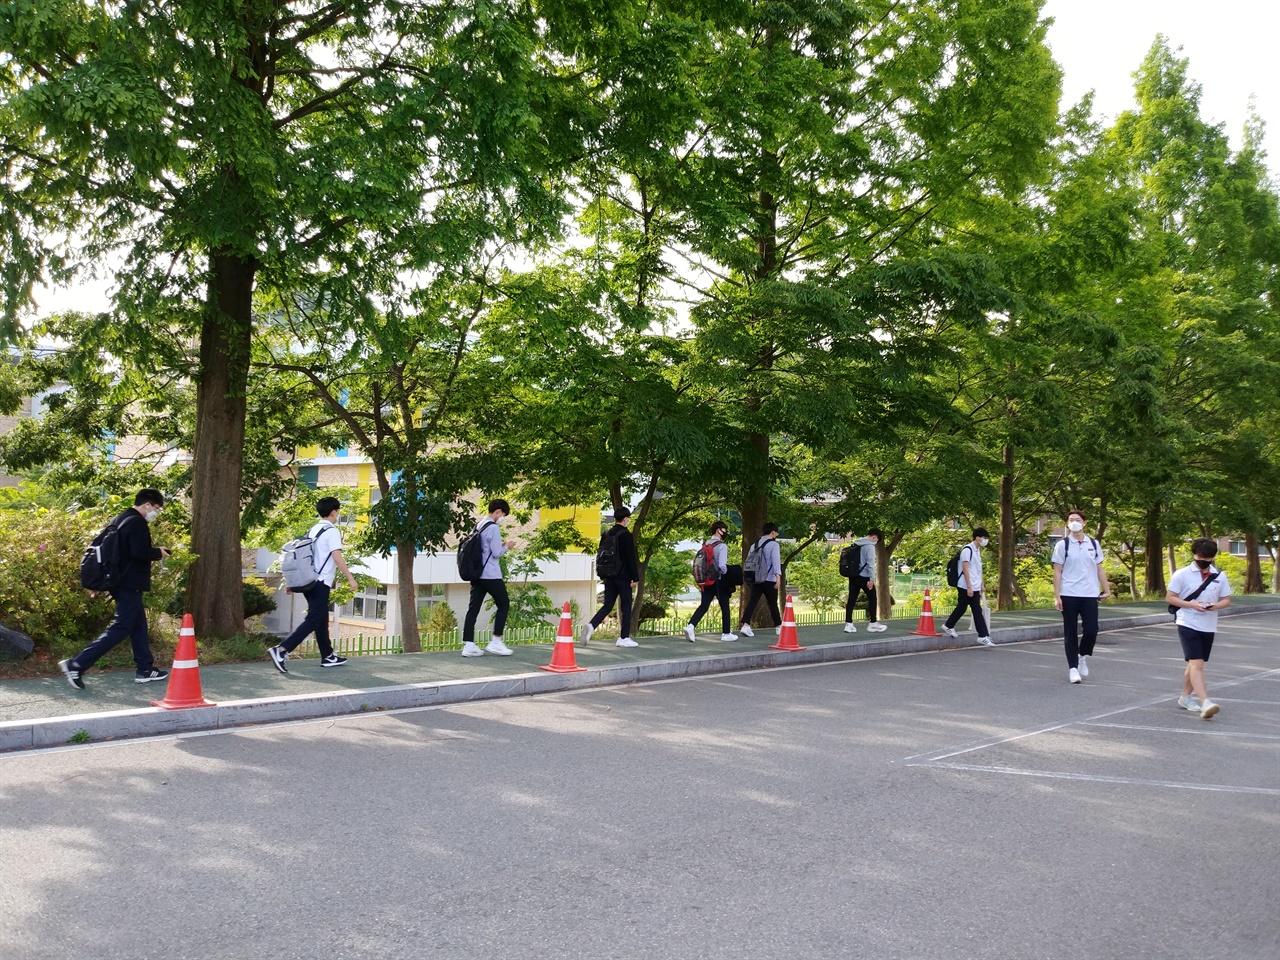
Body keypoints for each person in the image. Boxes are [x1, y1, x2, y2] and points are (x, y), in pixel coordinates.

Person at [60, 489, 173, 689]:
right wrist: (159, 552)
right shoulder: (137, 522)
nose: (156, 512)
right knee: (121, 627)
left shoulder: (120, 518)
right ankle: (77, 664)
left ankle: (145, 669)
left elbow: (108, 551)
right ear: (147, 504)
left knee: (138, 624)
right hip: (129, 583)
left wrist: (97, 583)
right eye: (156, 508)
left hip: (119, 581)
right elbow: (139, 552)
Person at [268, 497, 359, 673]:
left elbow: (303, 558)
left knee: (321, 618)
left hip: (309, 581)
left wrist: (294, 584)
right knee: (314, 618)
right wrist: (350, 578)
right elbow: (336, 556)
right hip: (321, 582)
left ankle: (328, 655)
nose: (338, 514)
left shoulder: (313, 530)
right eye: (338, 511)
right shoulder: (332, 531)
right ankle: (282, 650)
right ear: (334, 512)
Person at [1166, 538, 1232, 719]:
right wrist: (1191, 605)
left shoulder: (1219, 576)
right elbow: (1171, 598)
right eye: (1200, 557)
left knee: (1194, 662)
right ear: (1194, 555)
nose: (1204, 561)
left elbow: (1226, 599)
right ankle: (1205, 702)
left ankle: (1185, 697)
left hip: (1209, 624)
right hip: (1187, 622)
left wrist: (1215, 605)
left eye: (1208, 558)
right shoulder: (1182, 574)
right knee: (1197, 664)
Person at [1051, 509, 1110, 684]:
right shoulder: (1062, 545)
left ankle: (1082, 655)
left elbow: (1099, 568)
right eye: (1071, 520)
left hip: (1090, 594)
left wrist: (1106, 589)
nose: (1074, 522)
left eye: (1078, 519)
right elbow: (1057, 571)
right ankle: (1073, 668)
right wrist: (1057, 596)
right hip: (1068, 593)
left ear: (1085, 523)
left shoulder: (1093, 543)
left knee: (1091, 630)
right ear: (1067, 524)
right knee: (1070, 632)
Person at [460, 499, 517, 657]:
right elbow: (497, 553)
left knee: (473, 609)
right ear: (498, 511)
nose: (502, 518)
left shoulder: (480, 525)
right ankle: (496, 641)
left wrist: (501, 545)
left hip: (477, 574)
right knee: (504, 604)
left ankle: (469, 645)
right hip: (491, 574)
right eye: (503, 514)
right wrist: (507, 546)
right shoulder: (493, 528)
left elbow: (486, 549)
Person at [583, 507, 640, 647]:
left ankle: (591, 626)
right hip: (623, 576)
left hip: (608, 575)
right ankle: (624, 638)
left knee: (608, 605)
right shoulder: (625, 535)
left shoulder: (606, 534)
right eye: (628, 519)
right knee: (626, 606)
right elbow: (630, 558)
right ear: (625, 519)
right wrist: (635, 577)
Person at [684, 520, 736, 642]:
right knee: (725, 607)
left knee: (704, 605)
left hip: (705, 581)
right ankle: (726, 633)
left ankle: (690, 626)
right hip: (718, 581)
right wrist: (728, 573)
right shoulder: (722, 546)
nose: (725, 532)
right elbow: (722, 566)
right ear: (719, 530)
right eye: (724, 530)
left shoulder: (705, 544)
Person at [941, 528, 993, 646]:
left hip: (974, 585)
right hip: (965, 585)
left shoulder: (977, 551)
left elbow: (978, 570)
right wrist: (969, 587)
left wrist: (981, 584)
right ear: (977, 537)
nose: (985, 541)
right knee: (974, 609)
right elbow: (965, 569)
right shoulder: (967, 550)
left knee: (965, 607)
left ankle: (949, 625)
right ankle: (983, 635)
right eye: (984, 538)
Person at [737, 523, 782, 638]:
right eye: (776, 532)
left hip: (756, 579)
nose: (776, 534)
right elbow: (775, 562)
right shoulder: (774, 544)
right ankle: (778, 627)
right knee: (772, 603)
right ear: (772, 532)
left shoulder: (754, 545)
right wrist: (778, 578)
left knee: (752, 602)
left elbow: (748, 562)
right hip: (769, 579)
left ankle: (746, 625)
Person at [843, 528, 886, 633]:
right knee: (872, 598)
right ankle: (873, 623)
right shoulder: (869, 546)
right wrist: (871, 579)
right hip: (864, 577)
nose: (876, 543)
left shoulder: (857, 543)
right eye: (876, 541)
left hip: (853, 575)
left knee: (852, 599)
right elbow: (871, 564)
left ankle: (848, 624)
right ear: (874, 537)